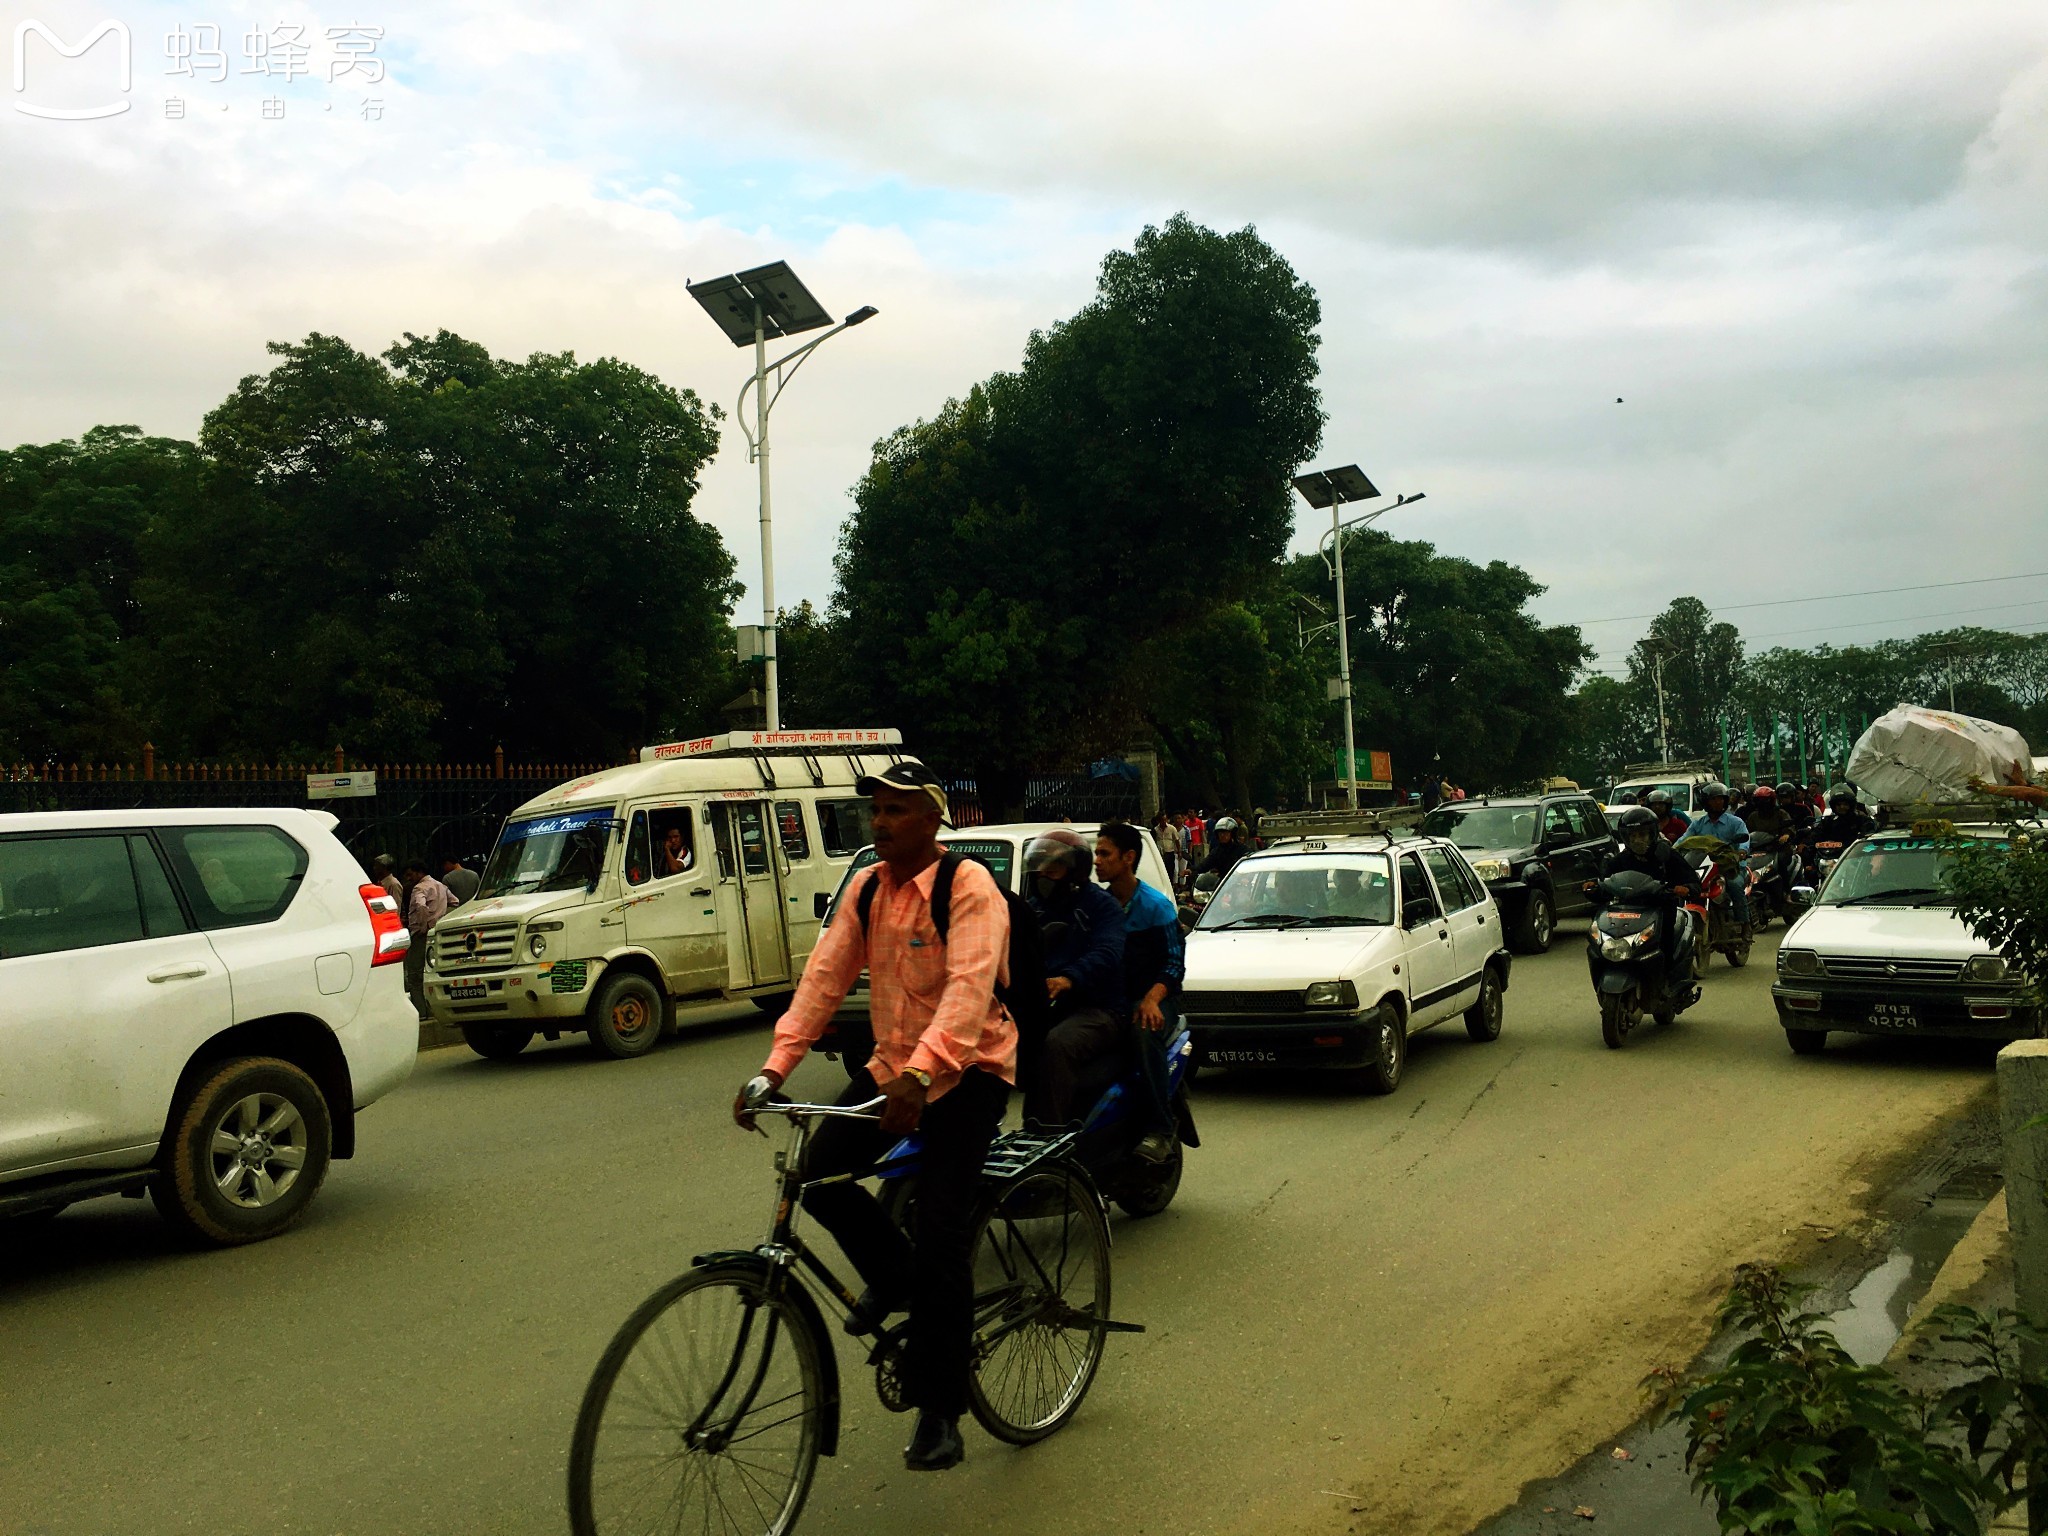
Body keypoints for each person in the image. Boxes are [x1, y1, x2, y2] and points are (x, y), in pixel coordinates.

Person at [732, 761, 1011, 1474]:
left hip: (969, 1069)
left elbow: (968, 991)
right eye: (876, 811)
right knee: (819, 1178)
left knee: (945, 1235)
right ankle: (897, 1279)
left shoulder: (968, 887)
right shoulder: (866, 889)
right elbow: (823, 978)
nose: (880, 823)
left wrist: (924, 1073)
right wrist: (774, 1069)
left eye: (895, 811)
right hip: (895, 1066)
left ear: (931, 821)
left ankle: (940, 1408)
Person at [1023, 827, 1126, 1127]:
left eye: (1052, 868)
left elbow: (1108, 952)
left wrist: (1069, 978)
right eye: (1039, 867)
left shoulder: (1101, 906)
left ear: (1075, 872)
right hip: (1052, 1006)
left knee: (1055, 1046)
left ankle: (1049, 1135)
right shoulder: (1034, 910)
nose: (1043, 875)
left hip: (1100, 1008)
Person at [1094, 823, 1184, 1162]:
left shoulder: (1156, 906)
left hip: (1154, 1000)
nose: (1097, 861)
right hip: (1110, 1000)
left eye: (1105, 854)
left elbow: (1175, 964)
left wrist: (1151, 998)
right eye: (1096, 853)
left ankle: (1160, 1128)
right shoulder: (1099, 905)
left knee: (1144, 1032)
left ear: (1128, 858)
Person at [1597, 806, 1701, 995]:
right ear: (1625, 837)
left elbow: (1692, 881)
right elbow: (1604, 883)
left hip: (1659, 909)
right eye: (1633, 836)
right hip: (1625, 910)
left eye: (1643, 835)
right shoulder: (1620, 859)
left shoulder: (1667, 856)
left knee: (1666, 938)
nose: (1638, 840)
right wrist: (1593, 887)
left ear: (1652, 834)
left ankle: (1668, 978)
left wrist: (1685, 888)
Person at [1684, 781, 1752, 931]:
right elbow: (1684, 841)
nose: (1718, 802)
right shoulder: (1698, 824)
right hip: (1705, 867)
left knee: (1734, 886)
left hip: (1731, 867)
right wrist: (1671, 851)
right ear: (1705, 802)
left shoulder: (1735, 822)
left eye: (1721, 798)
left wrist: (1742, 851)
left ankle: (1745, 925)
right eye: (1714, 799)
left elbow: (1745, 840)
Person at [398, 858, 453, 1021]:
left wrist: (425, 925)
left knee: (415, 975)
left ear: (419, 872)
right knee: (432, 972)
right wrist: (440, 919)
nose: (408, 878)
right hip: (437, 933)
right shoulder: (440, 886)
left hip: (421, 935)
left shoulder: (419, 888)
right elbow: (455, 901)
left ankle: (420, 1012)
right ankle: (434, 1009)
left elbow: (421, 906)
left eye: (410, 874)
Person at [1805, 784, 1876, 854]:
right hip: (1830, 858)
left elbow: (1869, 837)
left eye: (1845, 804)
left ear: (1851, 805)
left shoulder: (1861, 819)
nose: (1842, 807)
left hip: (1856, 856)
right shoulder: (1828, 821)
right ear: (1833, 806)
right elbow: (1814, 838)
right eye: (1838, 805)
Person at [1195, 816, 1250, 881]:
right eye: (1220, 833)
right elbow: (1205, 864)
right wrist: (1191, 870)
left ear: (1232, 834)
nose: (1222, 835)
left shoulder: (1242, 850)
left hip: (1240, 883)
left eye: (1225, 832)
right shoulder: (1216, 851)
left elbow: (1250, 867)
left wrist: (1245, 879)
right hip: (1223, 885)